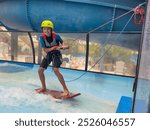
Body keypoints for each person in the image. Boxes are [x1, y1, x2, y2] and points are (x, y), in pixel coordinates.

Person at [37, 20, 70, 97]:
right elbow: (45, 50)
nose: (46, 31)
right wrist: (53, 48)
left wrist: (64, 47)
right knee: (40, 70)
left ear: (51, 29)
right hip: (48, 54)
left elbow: (63, 44)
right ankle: (44, 87)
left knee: (56, 70)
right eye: (44, 29)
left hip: (57, 54)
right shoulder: (42, 37)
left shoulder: (57, 36)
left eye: (48, 29)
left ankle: (66, 90)